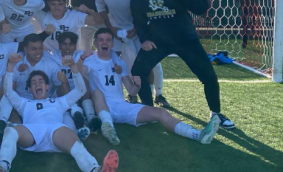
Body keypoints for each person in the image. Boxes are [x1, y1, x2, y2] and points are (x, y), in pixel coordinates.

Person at [0, 53, 119, 172]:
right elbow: (8, 92)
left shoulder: (59, 101)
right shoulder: (24, 103)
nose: (38, 85)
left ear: (47, 86)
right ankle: (2, 167)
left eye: (41, 82)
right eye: (34, 83)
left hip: (56, 131)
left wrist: (74, 67)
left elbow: (80, 90)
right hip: (32, 132)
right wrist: (10, 66)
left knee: (75, 142)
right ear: (30, 88)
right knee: (10, 129)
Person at [130, 0, 235, 129]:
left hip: (185, 39)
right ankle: (149, 110)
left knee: (208, 75)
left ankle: (216, 114)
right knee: (137, 71)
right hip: (158, 41)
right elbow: (138, 21)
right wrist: (145, 39)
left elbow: (202, 7)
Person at [85, 28, 220, 146]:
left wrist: (137, 84)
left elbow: (132, 91)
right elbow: (80, 74)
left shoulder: (120, 63)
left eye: (108, 40)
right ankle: (108, 128)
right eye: (101, 40)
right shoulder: (89, 61)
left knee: (160, 113)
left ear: (112, 44)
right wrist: (81, 59)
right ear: (95, 43)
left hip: (121, 106)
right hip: (101, 107)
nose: (104, 43)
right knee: (97, 93)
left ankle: (197, 135)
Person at [95, 0, 169, 108]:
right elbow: (101, 9)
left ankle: (158, 94)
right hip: (115, 30)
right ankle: (129, 94)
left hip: (139, 29)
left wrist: (136, 29)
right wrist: (111, 28)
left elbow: (145, 11)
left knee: (151, 63)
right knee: (119, 63)